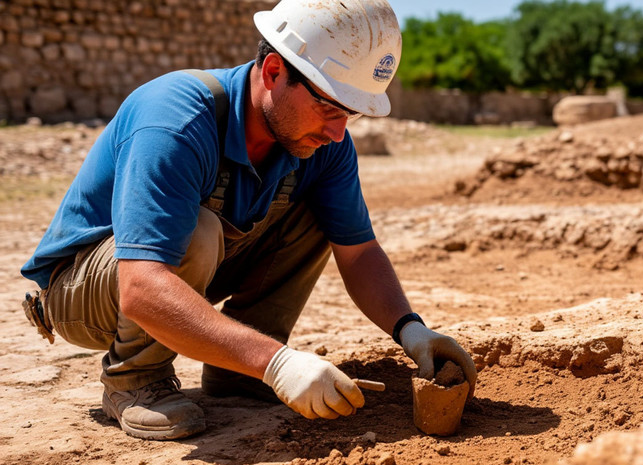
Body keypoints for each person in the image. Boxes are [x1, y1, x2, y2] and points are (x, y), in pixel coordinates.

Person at [20, 0, 476, 441]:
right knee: (198, 231)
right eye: (330, 108)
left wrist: (410, 329)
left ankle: (238, 372)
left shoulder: (322, 144)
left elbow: (358, 252)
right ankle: (135, 379)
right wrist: (278, 363)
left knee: (318, 214)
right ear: (274, 71)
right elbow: (140, 287)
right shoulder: (177, 120)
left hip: (178, 276)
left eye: (350, 113)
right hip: (86, 291)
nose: (338, 132)